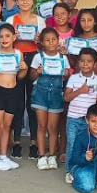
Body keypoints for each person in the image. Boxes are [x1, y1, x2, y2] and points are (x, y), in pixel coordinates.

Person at [7, 0, 45, 160]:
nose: (24, 2)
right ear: (16, 2)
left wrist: (39, 42)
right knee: (16, 101)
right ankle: (16, 141)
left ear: (33, 1)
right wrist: (13, 38)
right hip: (16, 59)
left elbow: (45, 45)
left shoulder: (40, 21)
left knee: (33, 101)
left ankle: (34, 142)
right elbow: (5, 41)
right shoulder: (10, 20)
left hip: (34, 59)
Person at [0, 24, 27, 171]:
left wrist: (25, 68)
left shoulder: (18, 53)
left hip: (13, 92)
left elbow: (20, 76)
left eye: (7, 36)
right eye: (1, 36)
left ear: (14, 37)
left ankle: (3, 156)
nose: (4, 39)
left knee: (7, 126)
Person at [63, 48, 97, 184]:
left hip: (89, 121)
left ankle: (83, 168)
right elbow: (66, 97)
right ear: (78, 63)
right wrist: (80, 91)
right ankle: (70, 170)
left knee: (88, 146)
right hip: (73, 118)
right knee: (72, 144)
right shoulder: (73, 78)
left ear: (95, 64)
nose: (85, 64)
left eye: (89, 61)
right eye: (82, 61)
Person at [30, 28, 69, 170]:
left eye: (54, 39)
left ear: (58, 41)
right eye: (47, 40)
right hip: (40, 94)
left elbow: (66, 76)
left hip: (56, 96)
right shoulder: (38, 57)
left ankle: (52, 155)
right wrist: (37, 72)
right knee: (41, 126)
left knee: (52, 128)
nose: (51, 42)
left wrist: (66, 74)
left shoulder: (63, 57)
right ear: (42, 42)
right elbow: (31, 76)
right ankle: (41, 156)